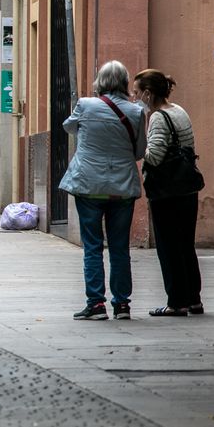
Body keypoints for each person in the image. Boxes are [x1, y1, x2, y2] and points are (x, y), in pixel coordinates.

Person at [60, 60, 146, 321]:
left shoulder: (85, 105)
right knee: (120, 248)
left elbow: (68, 127)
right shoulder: (136, 111)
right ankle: (122, 305)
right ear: (124, 81)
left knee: (93, 247)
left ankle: (96, 304)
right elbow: (139, 151)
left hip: (89, 186)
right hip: (122, 187)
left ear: (100, 81)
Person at [134, 69, 203, 317]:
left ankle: (176, 302)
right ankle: (194, 299)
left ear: (148, 93)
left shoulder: (158, 118)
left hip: (167, 191)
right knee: (185, 244)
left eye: (137, 92)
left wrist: (138, 145)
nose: (136, 97)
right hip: (187, 186)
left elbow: (155, 155)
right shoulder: (179, 111)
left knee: (168, 246)